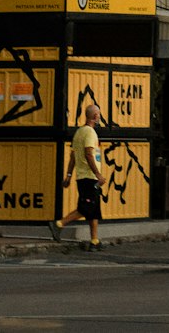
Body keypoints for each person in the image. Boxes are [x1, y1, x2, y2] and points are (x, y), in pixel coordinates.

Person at [50, 103, 104, 249]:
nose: (99, 116)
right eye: (98, 114)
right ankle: (59, 224)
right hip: (89, 176)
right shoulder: (90, 133)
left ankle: (94, 241)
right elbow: (88, 153)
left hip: (82, 176)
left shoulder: (79, 132)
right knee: (86, 208)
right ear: (94, 116)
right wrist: (98, 174)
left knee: (94, 209)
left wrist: (68, 175)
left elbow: (73, 157)